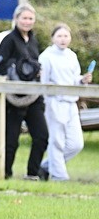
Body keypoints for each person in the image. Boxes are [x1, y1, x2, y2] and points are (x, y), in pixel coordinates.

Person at [0, 3, 49, 180]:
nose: (27, 21)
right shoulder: (9, 40)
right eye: (24, 18)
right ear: (16, 19)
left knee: (42, 136)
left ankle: (32, 173)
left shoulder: (33, 40)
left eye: (30, 18)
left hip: (33, 96)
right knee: (11, 140)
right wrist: (16, 68)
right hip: (13, 98)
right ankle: (5, 174)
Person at [37, 24, 92, 180]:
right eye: (59, 36)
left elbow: (74, 78)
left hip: (71, 103)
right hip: (54, 102)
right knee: (57, 142)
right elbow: (43, 82)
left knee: (76, 144)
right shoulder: (46, 56)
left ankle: (45, 166)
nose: (63, 39)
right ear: (53, 38)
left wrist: (82, 80)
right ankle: (59, 177)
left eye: (66, 36)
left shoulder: (71, 56)